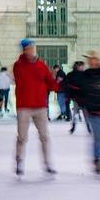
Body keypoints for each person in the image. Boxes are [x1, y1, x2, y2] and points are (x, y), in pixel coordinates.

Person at [63, 51, 100, 174]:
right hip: (92, 109)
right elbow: (75, 87)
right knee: (98, 136)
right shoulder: (86, 75)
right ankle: (98, 159)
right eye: (92, 59)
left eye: (95, 59)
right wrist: (82, 101)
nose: (94, 61)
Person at [13, 38, 58, 177]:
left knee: (44, 136)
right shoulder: (19, 65)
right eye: (28, 48)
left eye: (32, 48)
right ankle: (19, 161)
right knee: (22, 137)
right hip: (24, 106)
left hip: (40, 106)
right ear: (24, 50)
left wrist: (57, 86)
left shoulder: (41, 64)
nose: (31, 50)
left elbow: (49, 81)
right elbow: (23, 78)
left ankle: (47, 163)